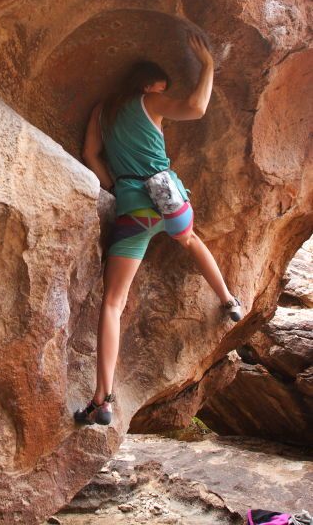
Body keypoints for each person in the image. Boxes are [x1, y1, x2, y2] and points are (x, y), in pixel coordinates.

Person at [73, 33, 243, 427]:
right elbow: (197, 107)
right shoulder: (148, 102)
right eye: (161, 88)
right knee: (191, 240)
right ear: (148, 86)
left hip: (133, 208)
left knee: (113, 303)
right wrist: (209, 66)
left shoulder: (101, 112)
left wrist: (114, 186)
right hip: (169, 200)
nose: (162, 95)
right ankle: (229, 300)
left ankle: (103, 399)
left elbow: (89, 154)